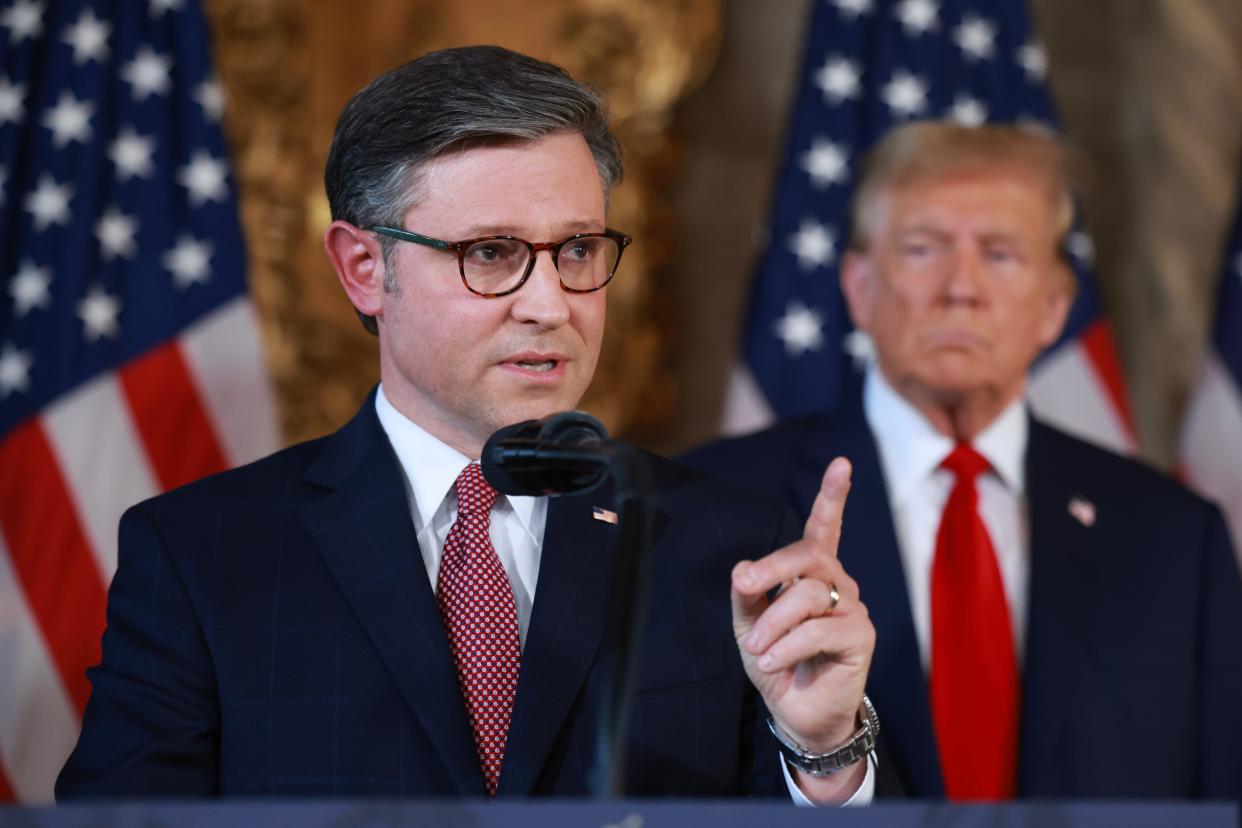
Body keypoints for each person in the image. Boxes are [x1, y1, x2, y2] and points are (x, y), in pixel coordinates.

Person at [56, 46, 878, 803]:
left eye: (578, 250)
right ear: (364, 268)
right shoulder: (200, 556)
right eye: (491, 253)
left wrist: (823, 752)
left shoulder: (731, 546)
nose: (551, 305)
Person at [688, 121, 1242, 801]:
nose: (962, 288)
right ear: (859, 288)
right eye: (923, 249)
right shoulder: (716, 505)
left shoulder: (1175, 537)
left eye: (1001, 255)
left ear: (1053, 307)